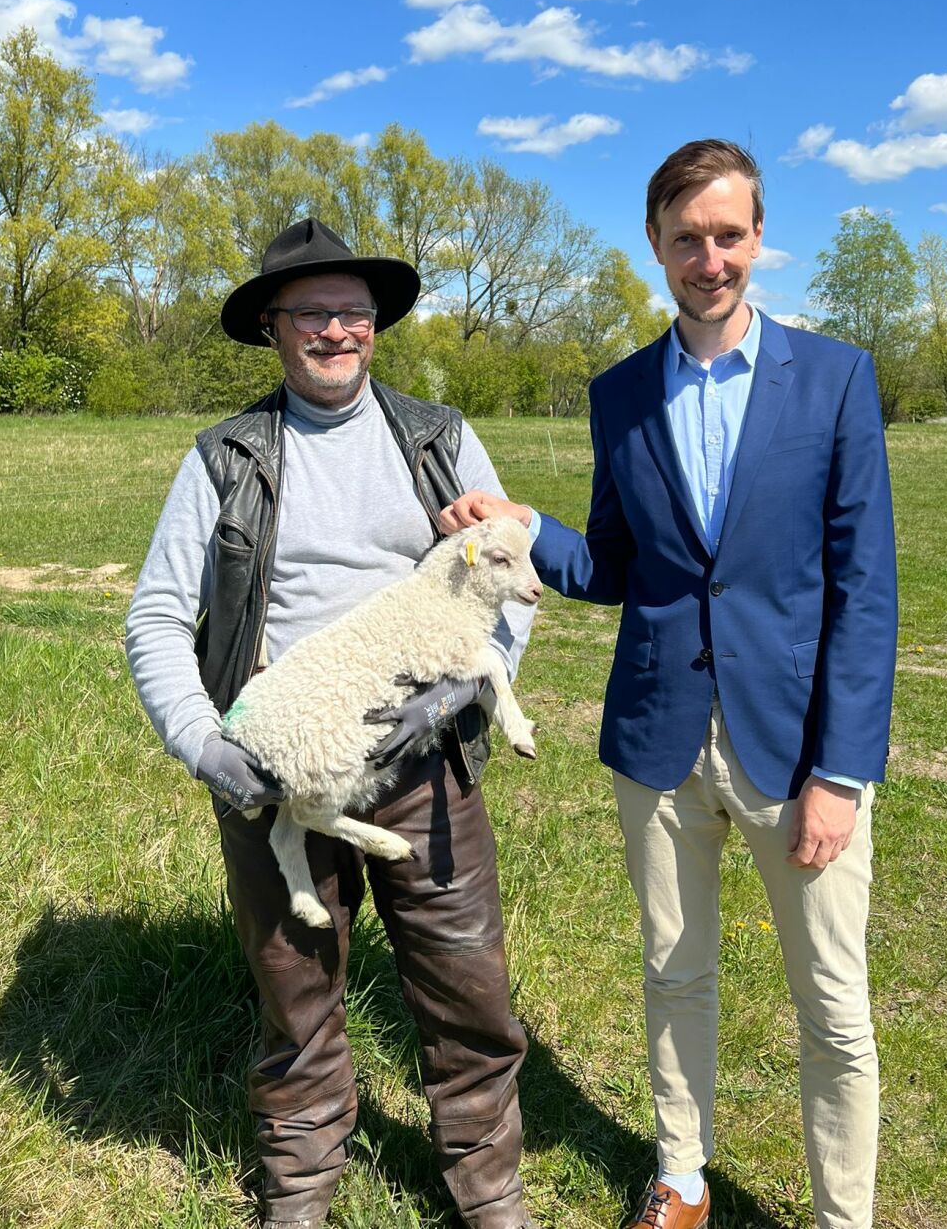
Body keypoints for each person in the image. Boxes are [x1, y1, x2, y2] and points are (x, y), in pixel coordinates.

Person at [440, 141, 897, 1229]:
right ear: (655, 244)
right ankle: (681, 1179)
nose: (709, 259)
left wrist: (842, 773)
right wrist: (525, 531)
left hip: (796, 752)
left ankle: (846, 1220)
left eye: (728, 235)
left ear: (757, 238)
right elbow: (614, 560)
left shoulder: (834, 379)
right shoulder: (621, 394)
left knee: (832, 1008)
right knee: (675, 974)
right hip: (659, 739)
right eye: (686, 238)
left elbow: (865, 594)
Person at [125, 217, 539, 1229]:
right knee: (297, 998)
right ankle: (301, 1187)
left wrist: (467, 692)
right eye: (310, 311)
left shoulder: (440, 441)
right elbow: (156, 618)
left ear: (375, 325)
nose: (334, 330)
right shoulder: (226, 460)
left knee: (468, 989)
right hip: (279, 758)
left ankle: (489, 1190)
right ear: (273, 327)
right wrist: (211, 749)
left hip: (425, 758)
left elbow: (508, 582)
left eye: (351, 310)